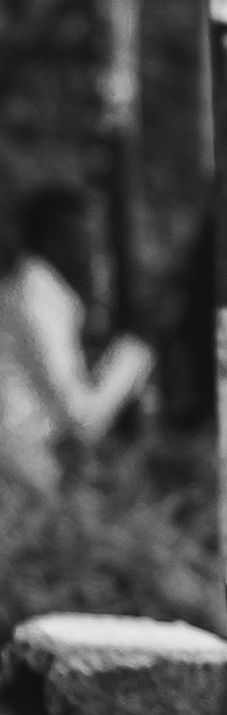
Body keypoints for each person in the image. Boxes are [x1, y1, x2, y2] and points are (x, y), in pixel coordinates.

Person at [0, 186, 154, 492]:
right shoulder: (34, 301)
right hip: (22, 462)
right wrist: (131, 358)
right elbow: (80, 418)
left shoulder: (47, 295)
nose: (92, 249)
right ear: (52, 240)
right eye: (83, 237)